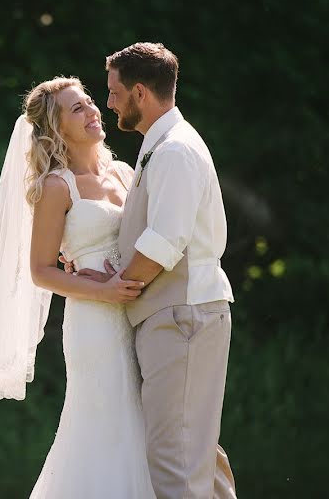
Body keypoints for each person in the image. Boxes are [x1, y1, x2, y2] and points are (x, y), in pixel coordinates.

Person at [69, 42, 237, 498]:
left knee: (173, 459)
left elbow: (165, 242)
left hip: (183, 314)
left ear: (139, 93)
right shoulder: (159, 146)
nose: (108, 103)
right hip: (178, 313)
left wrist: (111, 283)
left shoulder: (174, 151)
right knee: (195, 452)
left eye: (113, 92)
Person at [0, 76, 156, 498]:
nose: (93, 111)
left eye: (90, 102)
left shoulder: (125, 172)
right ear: (57, 128)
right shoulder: (57, 187)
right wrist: (102, 291)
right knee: (107, 428)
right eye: (77, 108)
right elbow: (40, 270)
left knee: (147, 426)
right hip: (95, 321)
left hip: (142, 313)